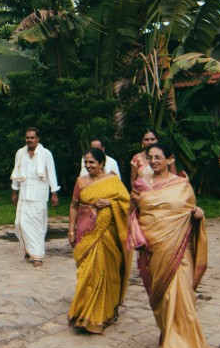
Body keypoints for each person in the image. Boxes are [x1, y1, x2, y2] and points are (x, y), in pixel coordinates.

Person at [128, 143, 216, 348]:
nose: (154, 161)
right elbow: (134, 216)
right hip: (154, 251)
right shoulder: (141, 186)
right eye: (150, 158)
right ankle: (169, 337)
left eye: (158, 157)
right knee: (164, 298)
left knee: (182, 297)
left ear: (169, 159)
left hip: (179, 250)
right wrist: (133, 208)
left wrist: (198, 216)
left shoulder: (181, 184)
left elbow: (190, 212)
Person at [67, 147, 131, 334]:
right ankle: (82, 313)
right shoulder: (81, 181)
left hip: (108, 233)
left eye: (92, 162)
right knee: (86, 273)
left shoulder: (112, 181)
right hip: (85, 232)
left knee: (106, 272)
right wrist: (71, 231)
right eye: (86, 162)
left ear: (102, 163)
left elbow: (128, 203)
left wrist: (111, 203)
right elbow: (73, 206)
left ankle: (100, 315)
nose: (88, 166)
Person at [10, 127, 60, 268]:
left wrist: (54, 193)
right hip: (24, 194)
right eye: (27, 138)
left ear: (38, 139)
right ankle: (28, 250)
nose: (29, 140)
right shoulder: (20, 153)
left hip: (39, 195)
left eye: (32, 138)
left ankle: (37, 255)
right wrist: (14, 191)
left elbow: (51, 173)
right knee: (20, 223)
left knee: (38, 226)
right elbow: (16, 172)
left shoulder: (45, 154)